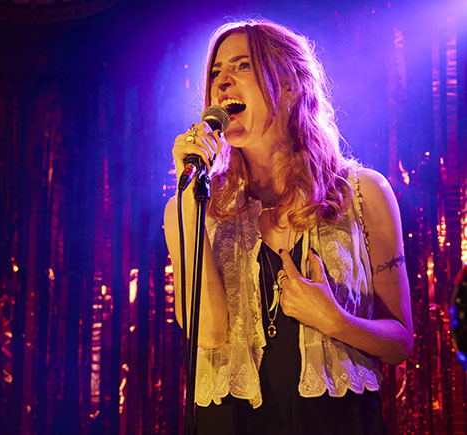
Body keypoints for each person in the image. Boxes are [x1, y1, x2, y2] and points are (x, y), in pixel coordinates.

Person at [163, 19, 413, 434]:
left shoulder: (362, 193)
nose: (222, 82)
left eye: (243, 65)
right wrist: (189, 199)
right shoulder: (191, 206)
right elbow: (207, 332)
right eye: (216, 72)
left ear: (292, 85)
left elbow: (400, 342)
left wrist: (336, 321)